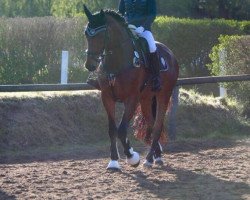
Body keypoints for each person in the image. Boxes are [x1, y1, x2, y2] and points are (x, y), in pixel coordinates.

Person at [118, 0, 161, 91]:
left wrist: (143, 27)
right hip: (127, 28)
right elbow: (120, 12)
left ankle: (156, 77)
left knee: (152, 47)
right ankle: (107, 74)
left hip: (143, 29)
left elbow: (152, 14)